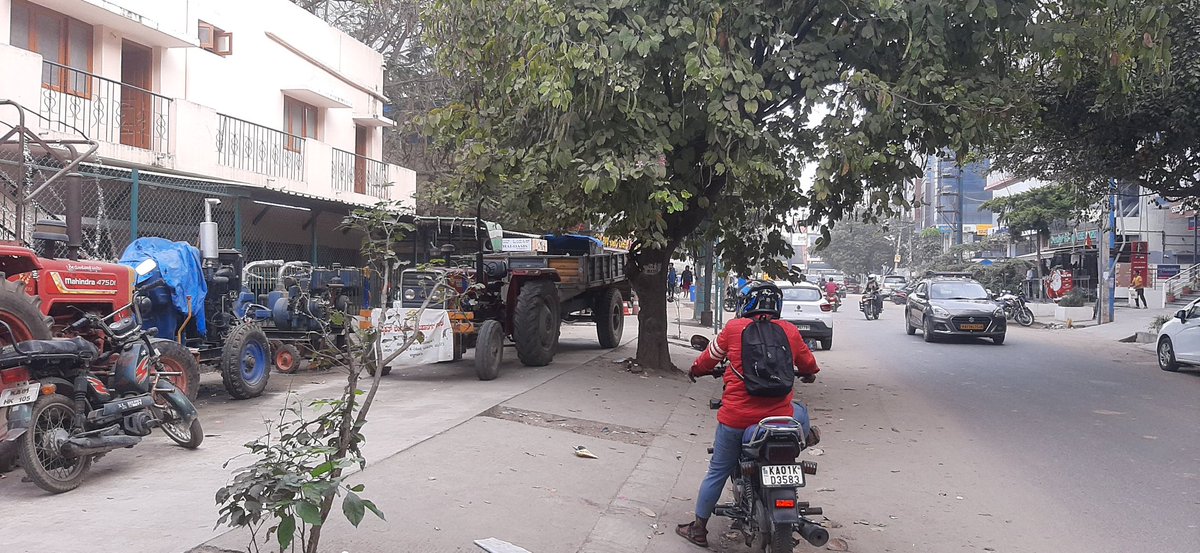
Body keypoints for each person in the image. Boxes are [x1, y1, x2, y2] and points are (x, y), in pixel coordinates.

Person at [676, 282, 820, 547]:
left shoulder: (733, 329)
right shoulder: (789, 331)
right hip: (780, 418)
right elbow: (809, 364)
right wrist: (809, 373)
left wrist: (695, 370)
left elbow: (709, 358)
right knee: (800, 409)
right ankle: (804, 437)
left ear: (745, 304)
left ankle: (698, 529)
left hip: (736, 420)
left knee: (718, 470)